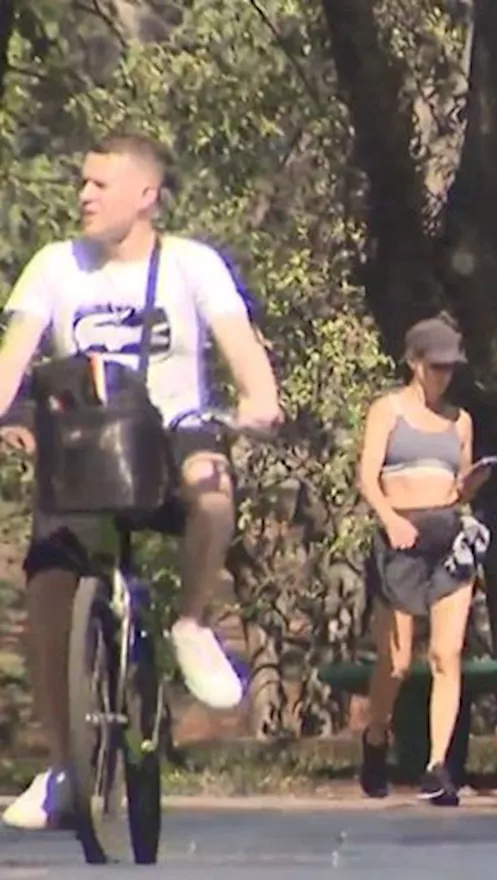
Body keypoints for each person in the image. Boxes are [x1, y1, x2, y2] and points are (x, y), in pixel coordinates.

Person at [0, 132, 283, 830]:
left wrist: (259, 401)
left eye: (100, 184)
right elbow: (12, 360)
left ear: (146, 196)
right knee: (47, 591)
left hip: (170, 427)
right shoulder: (54, 267)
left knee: (212, 484)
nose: (84, 195)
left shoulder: (192, 264)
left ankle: (190, 622)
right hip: (83, 437)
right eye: (83, 182)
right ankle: (66, 766)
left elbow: (243, 352)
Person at [355, 314, 492, 807]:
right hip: (401, 533)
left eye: (450, 367)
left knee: (446, 655)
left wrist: (467, 489)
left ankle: (438, 765)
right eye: (436, 366)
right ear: (415, 364)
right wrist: (390, 519)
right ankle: (375, 738)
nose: (443, 375)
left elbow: (457, 484)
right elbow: (367, 476)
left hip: (447, 536)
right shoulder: (387, 410)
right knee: (395, 662)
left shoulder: (460, 421)